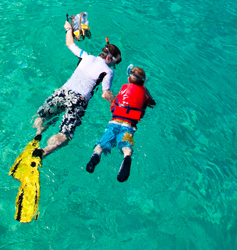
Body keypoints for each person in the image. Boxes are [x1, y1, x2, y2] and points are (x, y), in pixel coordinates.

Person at [31, 20, 122, 158]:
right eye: (114, 63)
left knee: (41, 117)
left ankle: (38, 131)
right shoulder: (108, 71)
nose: (113, 67)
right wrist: (116, 103)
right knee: (65, 135)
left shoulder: (86, 56)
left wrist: (68, 29)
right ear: (109, 58)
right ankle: (42, 153)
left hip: (63, 92)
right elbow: (105, 94)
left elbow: (69, 44)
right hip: (78, 100)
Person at [85, 64, 156, 182]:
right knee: (126, 146)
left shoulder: (123, 88)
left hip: (114, 122)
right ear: (143, 82)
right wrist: (145, 90)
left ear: (129, 79)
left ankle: (96, 155)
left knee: (101, 144)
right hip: (129, 126)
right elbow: (152, 103)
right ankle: (127, 156)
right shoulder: (144, 93)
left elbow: (113, 107)